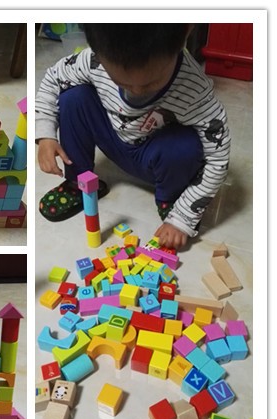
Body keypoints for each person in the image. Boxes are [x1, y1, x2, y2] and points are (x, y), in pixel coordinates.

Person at [35, 24, 230, 250]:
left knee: (187, 145)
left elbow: (218, 159)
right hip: (112, 138)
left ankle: (170, 198)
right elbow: (53, 79)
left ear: (186, 32)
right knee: (73, 97)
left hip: (155, 156)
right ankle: (79, 182)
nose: (136, 91)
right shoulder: (92, 60)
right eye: (122, 82)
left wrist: (183, 218)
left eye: (151, 83)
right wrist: (46, 135)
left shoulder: (194, 89)